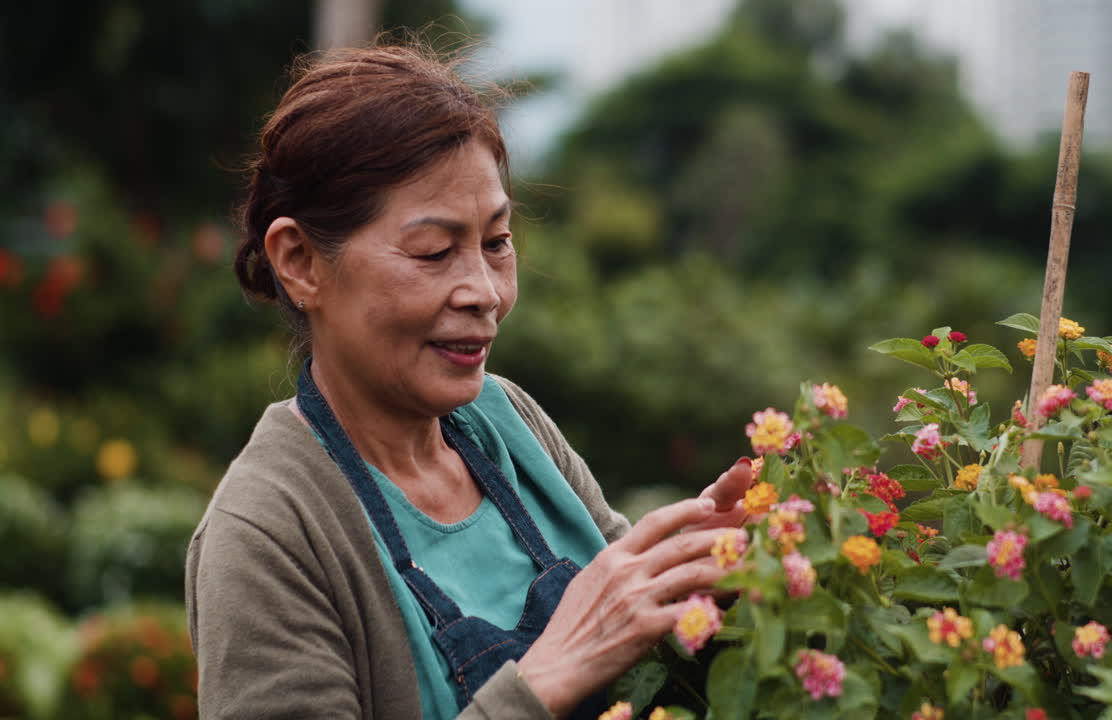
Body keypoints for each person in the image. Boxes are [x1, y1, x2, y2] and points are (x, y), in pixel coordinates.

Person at [183, 43, 753, 720]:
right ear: (300, 261)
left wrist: (705, 577)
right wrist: (540, 685)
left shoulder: (507, 421)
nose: (483, 291)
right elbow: (581, 648)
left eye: (496, 243)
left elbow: (632, 647)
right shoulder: (268, 534)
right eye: (433, 252)